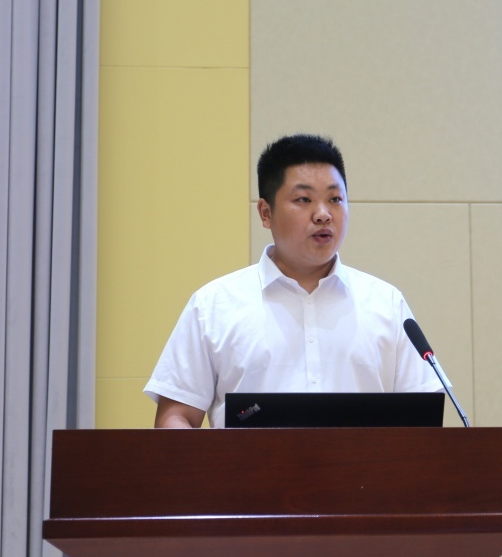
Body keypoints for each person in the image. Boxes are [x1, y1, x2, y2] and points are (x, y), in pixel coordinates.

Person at [145, 134, 442, 428]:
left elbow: (422, 421)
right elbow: (176, 417)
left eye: (335, 199)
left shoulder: (386, 304)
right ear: (266, 213)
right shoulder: (213, 306)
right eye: (304, 199)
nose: (323, 214)